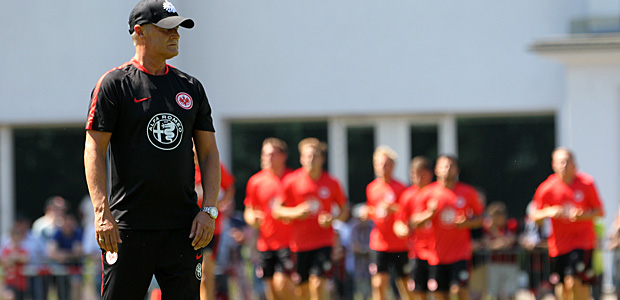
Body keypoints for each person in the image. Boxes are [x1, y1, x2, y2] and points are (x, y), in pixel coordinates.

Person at [83, 0, 221, 299]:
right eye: (167, 29)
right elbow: (94, 149)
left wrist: (208, 211)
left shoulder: (190, 86)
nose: (176, 36)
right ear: (139, 32)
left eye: (179, 30)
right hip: (127, 228)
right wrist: (101, 213)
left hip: (184, 228)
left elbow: (209, 153)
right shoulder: (114, 84)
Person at [272, 137, 349, 300]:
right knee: (301, 289)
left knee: (318, 283)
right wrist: (296, 212)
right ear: (301, 158)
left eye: (314, 156)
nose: (310, 160)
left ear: (321, 158)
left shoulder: (332, 182)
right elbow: (277, 210)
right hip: (299, 244)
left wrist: (332, 219)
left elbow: (345, 211)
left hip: (323, 241)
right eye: (307, 156)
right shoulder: (291, 181)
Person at [529, 147, 603, 300]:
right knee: (562, 286)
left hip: (583, 242)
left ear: (574, 164)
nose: (564, 165)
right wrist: (549, 212)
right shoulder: (547, 188)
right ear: (553, 165)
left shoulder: (586, 183)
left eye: (567, 161)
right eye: (560, 162)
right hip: (559, 245)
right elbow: (534, 215)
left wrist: (583, 215)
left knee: (575, 281)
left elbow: (600, 211)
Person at [412, 155, 484, 300]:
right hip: (437, 255)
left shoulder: (468, 192)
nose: (447, 169)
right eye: (444, 166)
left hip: (460, 253)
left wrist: (467, 223)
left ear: (457, 170)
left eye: (451, 166)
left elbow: (481, 219)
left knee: (459, 290)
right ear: (436, 170)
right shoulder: (427, 193)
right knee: (440, 295)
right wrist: (429, 214)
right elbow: (414, 222)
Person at [243, 138, 295, 300]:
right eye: (264, 154)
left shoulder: (292, 179)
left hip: (289, 243)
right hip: (265, 244)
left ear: (283, 156)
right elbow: (249, 210)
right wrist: (252, 218)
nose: (267, 158)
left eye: (272, 154)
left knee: (283, 285)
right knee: (271, 289)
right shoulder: (256, 181)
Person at [357, 146, 408, 300]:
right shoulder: (372, 188)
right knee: (378, 283)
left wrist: (394, 208)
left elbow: (407, 211)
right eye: (378, 164)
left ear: (392, 166)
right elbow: (373, 210)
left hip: (400, 244)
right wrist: (366, 213)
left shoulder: (401, 188)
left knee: (405, 285)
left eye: (385, 164)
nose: (381, 167)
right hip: (379, 243)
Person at [393, 156, 434, 300]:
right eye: (414, 174)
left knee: (440, 292)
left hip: (438, 252)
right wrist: (401, 230)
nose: (417, 178)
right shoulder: (408, 195)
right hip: (417, 252)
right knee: (419, 292)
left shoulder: (437, 193)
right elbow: (399, 221)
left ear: (429, 174)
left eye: (421, 173)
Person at [195, 162, 235, 300]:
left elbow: (229, 187)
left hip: (209, 228)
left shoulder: (210, 163)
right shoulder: (180, 163)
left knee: (205, 275)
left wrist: (218, 206)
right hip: (184, 227)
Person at [481, 201, 519, 300]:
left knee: (511, 293)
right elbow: (487, 245)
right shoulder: (486, 228)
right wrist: (500, 243)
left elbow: (509, 242)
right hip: (494, 264)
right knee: (495, 293)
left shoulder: (511, 225)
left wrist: (494, 231)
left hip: (510, 264)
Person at [48, 213, 84, 300]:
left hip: (75, 267)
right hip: (60, 269)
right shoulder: (57, 234)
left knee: (76, 285)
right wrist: (70, 254)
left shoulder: (77, 233)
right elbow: (52, 253)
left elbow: (78, 252)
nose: (69, 224)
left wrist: (63, 254)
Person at [0, 224, 30, 300]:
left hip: (22, 283)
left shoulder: (23, 249)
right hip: (10, 282)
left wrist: (13, 258)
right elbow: (5, 262)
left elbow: (25, 259)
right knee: (11, 297)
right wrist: (16, 258)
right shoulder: (7, 249)